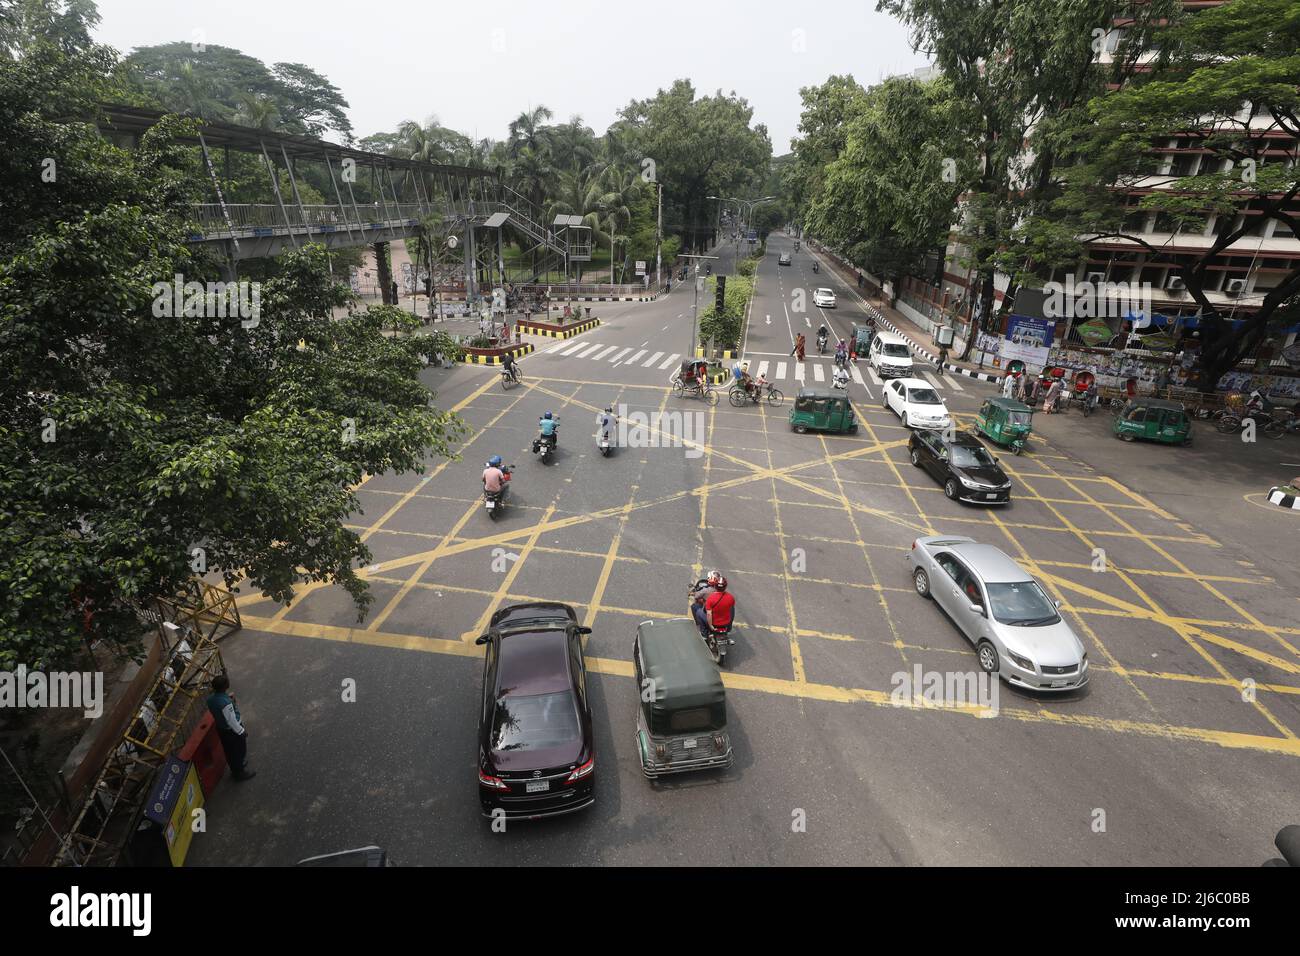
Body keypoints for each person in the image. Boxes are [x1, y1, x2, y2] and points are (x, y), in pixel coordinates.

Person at [207, 674, 255, 781]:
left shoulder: (211, 699)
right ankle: (239, 772)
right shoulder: (225, 703)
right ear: (225, 686)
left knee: (229, 751)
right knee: (239, 750)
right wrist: (241, 731)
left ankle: (236, 767)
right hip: (231, 731)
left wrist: (228, 699)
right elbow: (231, 720)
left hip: (221, 729)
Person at [704, 575, 736, 643]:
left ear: (715, 586)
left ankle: (704, 634)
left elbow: (709, 614)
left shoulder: (710, 598)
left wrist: (710, 625)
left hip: (714, 624)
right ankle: (729, 628)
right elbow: (731, 610)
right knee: (732, 608)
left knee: (698, 612)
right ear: (725, 586)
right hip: (727, 623)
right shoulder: (731, 597)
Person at [691, 570, 721, 635]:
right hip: (721, 617)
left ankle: (702, 630)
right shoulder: (724, 593)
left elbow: (696, 596)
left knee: (695, 607)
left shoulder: (706, 591)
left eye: (709, 578)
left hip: (712, 618)